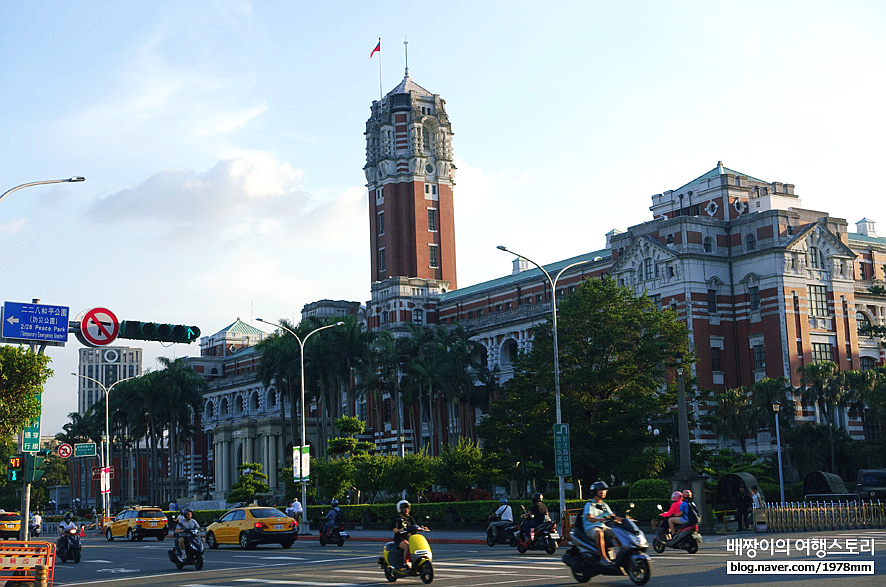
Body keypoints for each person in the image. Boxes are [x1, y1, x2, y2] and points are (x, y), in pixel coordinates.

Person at [584, 481, 621, 565]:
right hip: (591, 528)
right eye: (600, 490)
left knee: (618, 533)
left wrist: (625, 520)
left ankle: (622, 555)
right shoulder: (589, 505)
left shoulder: (604, 505)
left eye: (604, 490)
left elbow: (612, 516)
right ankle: (603, 558)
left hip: (602, 526)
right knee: (599, 533)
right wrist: (600, 519)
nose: (603, 492)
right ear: (595, 492)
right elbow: (589, 518)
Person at [391, 500, 427, 570]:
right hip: (400, 538)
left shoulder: (410, 518)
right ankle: (406, 563)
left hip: (409, 537)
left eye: (407, 508)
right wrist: (398, 530)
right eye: (404, 508)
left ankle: (416, 562)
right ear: (400, 509)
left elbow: (415, 525)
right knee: (407, 546)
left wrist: (422, 528)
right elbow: (394, 529)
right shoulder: (397, 519)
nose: (406, 510)